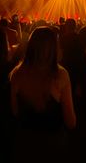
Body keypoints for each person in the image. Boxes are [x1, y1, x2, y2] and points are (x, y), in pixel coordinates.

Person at [9, 26, 76, 162]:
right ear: (54, 48)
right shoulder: (60, 75)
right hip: (52, 146)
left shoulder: (17, 73)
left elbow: (15, 112)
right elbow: (71, 122)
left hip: (25, 143)